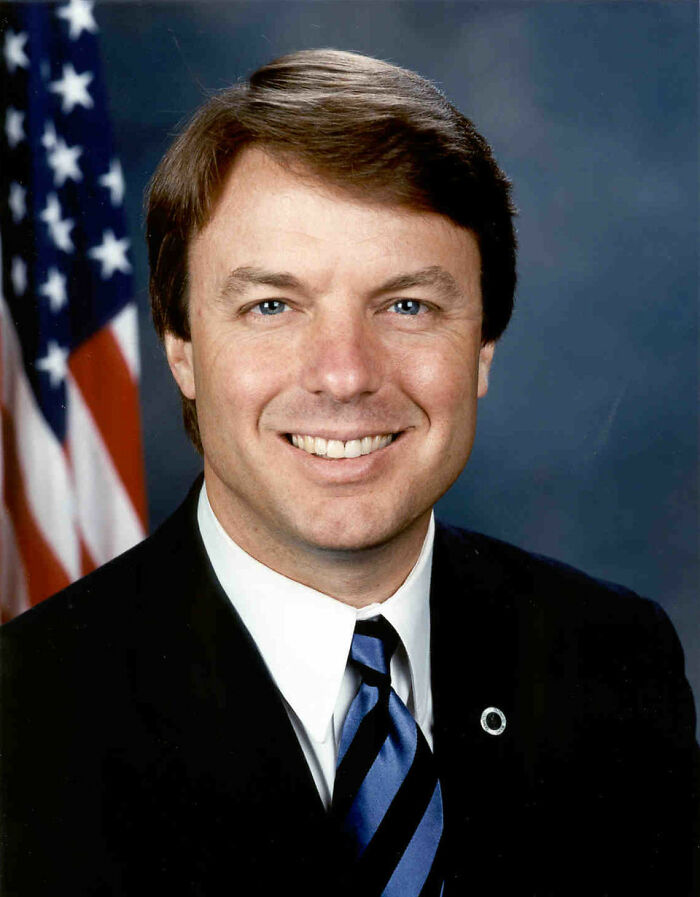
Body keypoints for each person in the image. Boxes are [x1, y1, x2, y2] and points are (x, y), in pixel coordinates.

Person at [1, 49, 697, 897]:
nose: (344, 374)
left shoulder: (612, 663)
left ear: (483, 347)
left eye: (407, 305)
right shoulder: (27, 719)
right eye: (272, 306)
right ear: (180, 347)